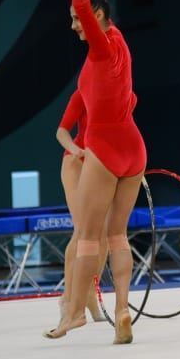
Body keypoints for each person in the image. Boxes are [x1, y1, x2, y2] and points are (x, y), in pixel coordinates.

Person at [45, 0, 147, 344]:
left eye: (82, 21)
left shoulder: (101, 50)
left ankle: (72, 315)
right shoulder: (120, 43)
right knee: (117, 235)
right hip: (133, 147)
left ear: (99, 19)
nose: (76, 27)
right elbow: (96, 10)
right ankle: (122, 308)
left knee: (88, 237)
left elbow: (84, 8)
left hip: (103, 147)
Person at [53, 89, 107, 326]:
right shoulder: (83, 94)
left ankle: (88, 294)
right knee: (84, 230)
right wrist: (76, 150)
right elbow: (61, 131)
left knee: (104, 234)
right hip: (76, 162)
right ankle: (68, 298)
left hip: (103, 165)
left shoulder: (125, 94)